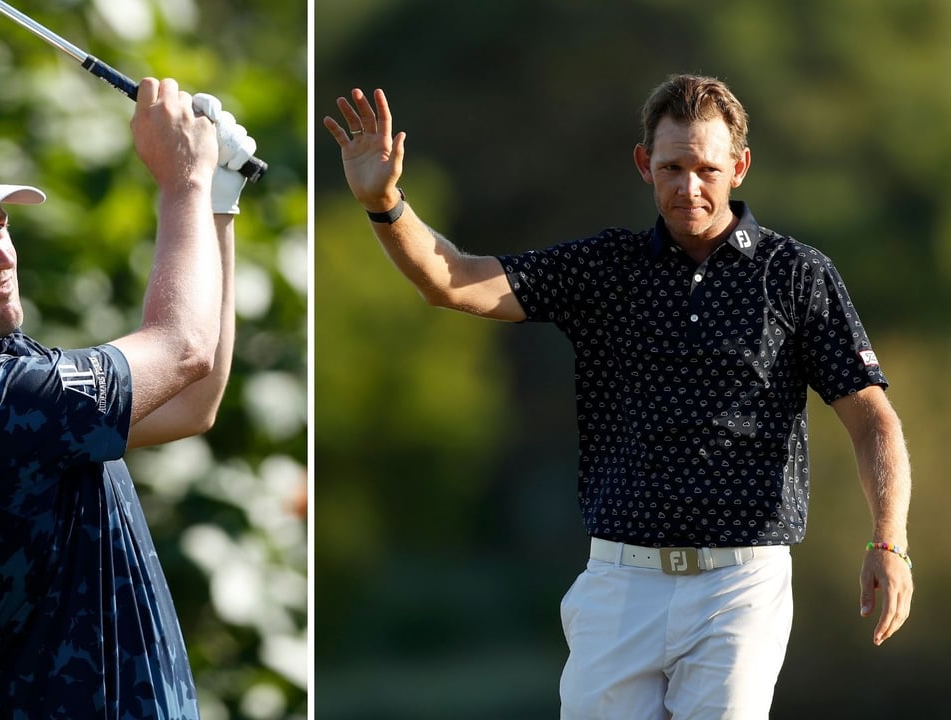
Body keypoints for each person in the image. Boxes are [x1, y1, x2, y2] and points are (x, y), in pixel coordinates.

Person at [324, 74, 913, 718]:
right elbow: (455, 281)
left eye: (708, 169)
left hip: (740, 584)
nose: (689, 187)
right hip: (620, 581)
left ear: (740, 167)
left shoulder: (795, 274)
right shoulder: (606, 269)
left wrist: (887, 540)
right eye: (672, 168)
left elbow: (872, 420)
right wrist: (385, 204)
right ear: (643, 164)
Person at [0, 77, 255, 718]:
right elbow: (183, 347)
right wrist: (184, 183)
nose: (2, 256)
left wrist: (217, 201)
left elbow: (189, 400)